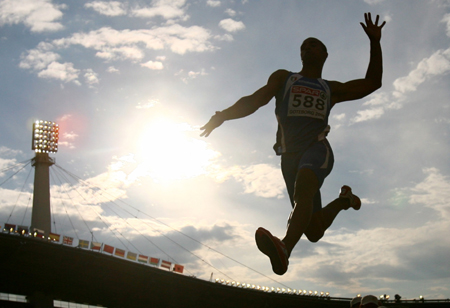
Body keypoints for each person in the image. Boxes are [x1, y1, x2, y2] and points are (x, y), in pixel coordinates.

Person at [200, 13, 385, 275]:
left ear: (325, 54)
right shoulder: (284, 78)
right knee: (313, 229)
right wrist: (223, 115)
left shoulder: (330, 88)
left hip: (317, 147)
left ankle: (284, 248)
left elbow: (372, 83)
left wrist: (375, 42)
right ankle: (344, 201)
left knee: (305, 189)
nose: (307, 47)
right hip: (289, 157)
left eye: (313, 44)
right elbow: (256, 99)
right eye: (304, 45)